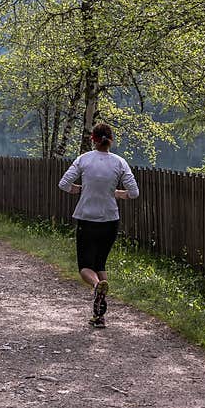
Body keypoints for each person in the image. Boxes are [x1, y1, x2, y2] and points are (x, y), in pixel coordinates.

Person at [58, 123, 139, 328]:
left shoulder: (84, 159)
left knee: (85, 266)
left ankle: (96, 286)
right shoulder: (120, 163)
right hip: (110, 221)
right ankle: (99, 316)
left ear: (93, 139)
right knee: (100, 264)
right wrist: (119, 193)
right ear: (111, 140)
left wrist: (79, 190)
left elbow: (64, 184)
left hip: (87, 218)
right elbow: (134, 192)